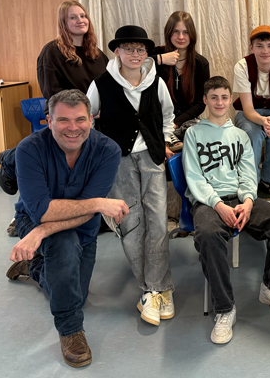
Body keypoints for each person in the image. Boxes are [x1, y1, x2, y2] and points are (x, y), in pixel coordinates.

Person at [4, 89, 124, 368]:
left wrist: (41, 233)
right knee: (64, 244)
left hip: (81, 229)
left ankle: (34, 267)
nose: (73, 127)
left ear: (91, 120)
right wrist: (97, 203)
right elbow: (42, 211)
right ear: (49, 121)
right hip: (31, 220)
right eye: (63, 120)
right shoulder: (30, 149)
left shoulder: (108, 150)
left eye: (80, 119)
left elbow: (85, 213)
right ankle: (71, 331)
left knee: (75, 295)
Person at [183, 76, 270, 345]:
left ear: (231, 100)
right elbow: (194, 177)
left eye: (224, 97)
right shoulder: (194, 134)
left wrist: (249, 201)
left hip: (240, 200)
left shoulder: (240, 135)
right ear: (205, 101)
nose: (219, 102)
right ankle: (224, 309)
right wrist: (217, 205)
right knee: (208, 235)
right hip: (209, 202)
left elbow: (248, 174)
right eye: (213, 97)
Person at [86, 25, 177, 324]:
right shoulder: (101, 84)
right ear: (117, 51)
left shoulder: (156, 82)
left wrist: (164, 140)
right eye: (129, 49)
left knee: (158, 222)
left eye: (140, 49)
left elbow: (167, 115)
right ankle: (149, 289)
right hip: (119, 162)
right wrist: (100, 152)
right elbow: (88, 119)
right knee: (132, 223)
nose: (135, 54)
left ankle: (159, 288)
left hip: (152, 158)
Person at [2, 0, 109, 237]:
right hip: (64, 119)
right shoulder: (52, 52)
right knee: (48, 170)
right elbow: (51, 91)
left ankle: (86, 213)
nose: (80, 20)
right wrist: (79, 113)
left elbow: (109, 85)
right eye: (73, 17)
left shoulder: (97, 54)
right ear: (63, 22)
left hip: (91, 120)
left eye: (83, 16)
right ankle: (21, 210)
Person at [232, 25, 270, 195]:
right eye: (259, 46)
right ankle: (250, 179)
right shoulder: (242, 66)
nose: (265, 51)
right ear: (251, 48)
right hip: (250, 113)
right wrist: (263, 121)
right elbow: (247, 108)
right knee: (251, 133)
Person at [150, 11, 210, 151]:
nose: (181, 37)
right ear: (168, 33)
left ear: (192, 35)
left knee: (203, 143)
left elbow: (201, 103)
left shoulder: (200, 63)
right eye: (176, 32)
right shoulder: (156, 54)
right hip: (157, 118)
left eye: (186, 32)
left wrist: (175, 123)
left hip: (187, 120)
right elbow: (133, 65)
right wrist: (160, 59)